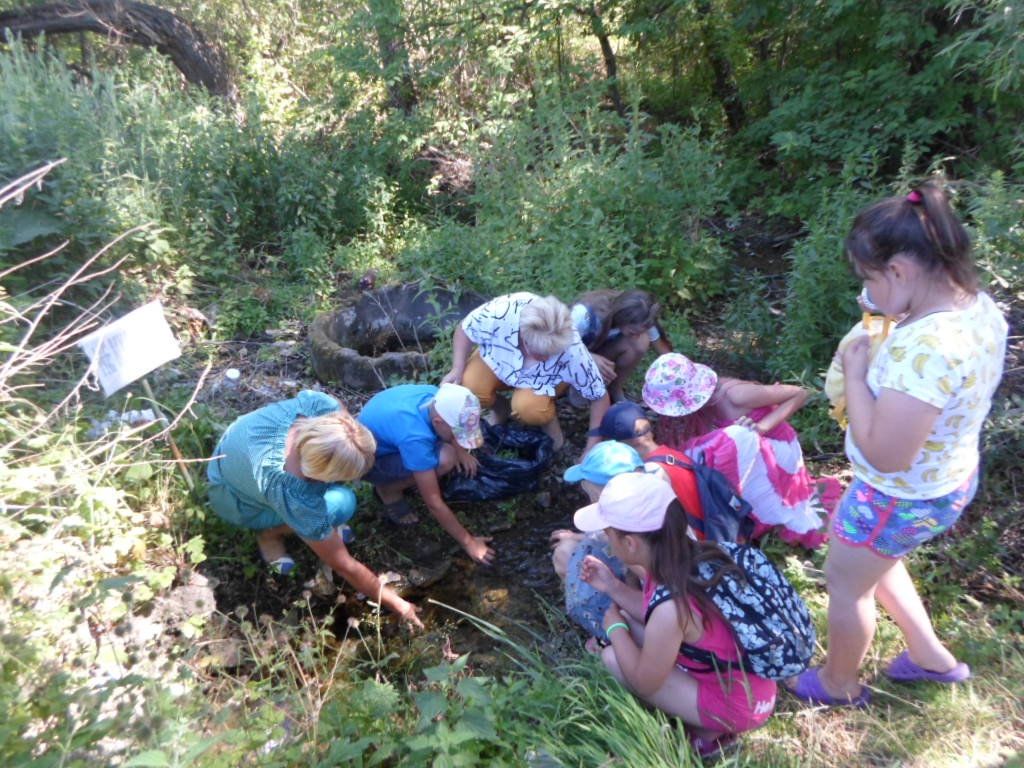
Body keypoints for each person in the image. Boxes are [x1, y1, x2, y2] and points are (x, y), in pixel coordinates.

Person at [786, 184, 1007, 707]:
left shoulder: (926, 349)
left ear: (902, 272)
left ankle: (838, 684)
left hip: (896, 492)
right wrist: (888, 313)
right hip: (944, 478)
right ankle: (932, 658)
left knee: (846, 581)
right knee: (878, 559)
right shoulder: (976, 307)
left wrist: (858, 377)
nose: (866, 291)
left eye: (869, 278)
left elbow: (888, 452)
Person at [575, 472, 777, 756]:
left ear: (630, 543)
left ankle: (711, 735)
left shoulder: (672, 604)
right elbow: (657, 616)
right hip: (752, 682)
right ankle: (706, 719)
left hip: (741, 706)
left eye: (609, 535)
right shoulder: (693, 557)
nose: (608, 543)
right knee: (631, 627)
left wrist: (614, 629)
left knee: (613, 658)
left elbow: (645, 682)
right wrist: (613, 587)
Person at [207, 390, 423, 629]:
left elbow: (340, 412)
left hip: (231, 449)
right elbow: (344, 565)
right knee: (343, 503)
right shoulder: (292, 493)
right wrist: (399, 605)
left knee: (337, 503)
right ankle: (269, 534)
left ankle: (299, 527)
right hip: (234, 498)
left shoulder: (321, 410)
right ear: (318, 476)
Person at [643, 353, 835, 546]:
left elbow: (800, 393)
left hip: (775, 447)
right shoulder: (707, 405)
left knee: (732, 441)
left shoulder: (735, 395)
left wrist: (762, 427)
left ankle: (752, 512)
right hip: (751, 447)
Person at [442, 292, 610, 455]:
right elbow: (465, 329)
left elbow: (599, 396)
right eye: (540, 353)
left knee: (530, 409)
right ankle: (501, 409)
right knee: (470, 386)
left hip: (542, 381)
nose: (546, 358)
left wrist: (591, 447)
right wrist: (457, 368)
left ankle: (551, 427)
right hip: (497, 361)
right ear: (524, 336)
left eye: (553, 353)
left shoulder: (573, 349)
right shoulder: (502, 312)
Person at [358, 382, 495, 565]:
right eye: (457, 433)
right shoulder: (415, 437)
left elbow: (444, 428)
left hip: (387, 433)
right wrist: (469, 542)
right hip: (371, 463)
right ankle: (389, 491)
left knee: (450, 452)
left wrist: (461, 451)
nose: (459, 439)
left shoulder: (435, 397)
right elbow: (434, 503)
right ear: (438, 422)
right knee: (446, 459)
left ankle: (401, 478)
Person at [549, 441, 648, 639]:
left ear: (597, 494)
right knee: (566, 547)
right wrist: (577, 536)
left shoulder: (634, 540)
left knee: (563, 555)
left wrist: (615, 633)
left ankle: (606, 637)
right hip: (653, 599)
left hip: (651, 619)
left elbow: (649, 589)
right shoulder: (652, 500)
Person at [570, 289, 673, 402]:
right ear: (624, 317)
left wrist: (676, 372)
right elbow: (559, 345)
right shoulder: (584, 315)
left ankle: (614, 388)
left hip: (596, 350)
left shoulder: (643, 318)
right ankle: (578, 387)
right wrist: (589, 358)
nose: (636, 335)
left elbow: (665, 353)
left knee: (640, 342)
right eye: (633, 332)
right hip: (572, 356)